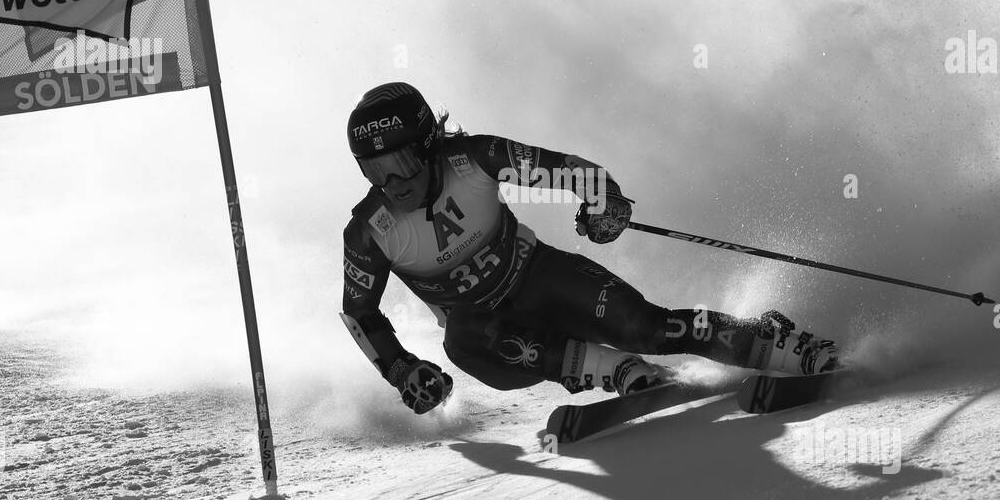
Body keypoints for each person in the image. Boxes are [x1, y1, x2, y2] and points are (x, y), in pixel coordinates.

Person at [341, 82, 839, 415]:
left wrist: (604, 200)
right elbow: (358, 313)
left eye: (402, 163)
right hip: (487, 332)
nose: (393, 183)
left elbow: (566, 168)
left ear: (429, 145)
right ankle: (622, 373)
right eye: (374, 171)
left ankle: (778, 344)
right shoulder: (370, 231)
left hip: (540, 278)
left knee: (648, 327)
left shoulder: (471, 159)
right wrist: (402, 368)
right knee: (465, 340)